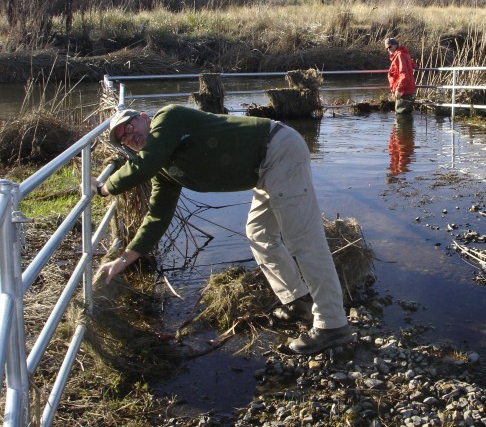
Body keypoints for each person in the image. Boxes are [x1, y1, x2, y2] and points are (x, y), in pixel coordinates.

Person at [92, 104, 353, 355]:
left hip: (278, 150)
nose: (130, 136)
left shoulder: (168, 118)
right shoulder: (164, 170)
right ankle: (298, 302)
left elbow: (144, 165)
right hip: (263, 169)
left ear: (143, 117)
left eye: (129, 126)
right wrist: (123, 260)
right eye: (123, 139)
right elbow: (157, 217)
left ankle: (332, 324)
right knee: (259, 233)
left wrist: (104, 188)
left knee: (304, 240)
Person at [384, 37, 417, 114]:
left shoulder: (399, 55)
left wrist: (399, 90)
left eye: (390, 47)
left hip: (404, 91)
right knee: (406, 115)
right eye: (386, 48)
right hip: (407, 90)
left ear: (396, 45)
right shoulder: (404, 53)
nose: (388, 49)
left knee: (401, 116)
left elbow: (404, 74)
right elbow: (412, 65)